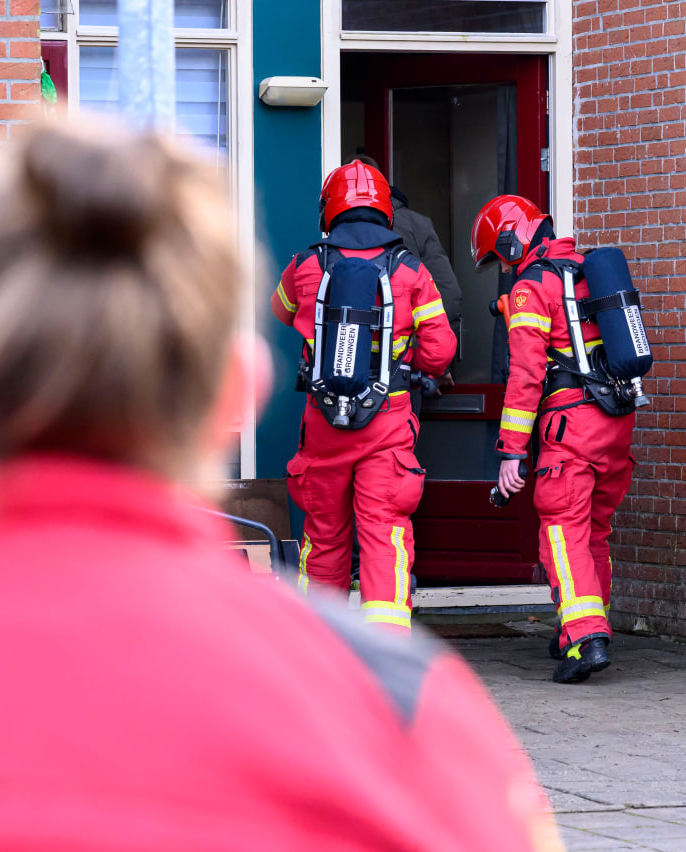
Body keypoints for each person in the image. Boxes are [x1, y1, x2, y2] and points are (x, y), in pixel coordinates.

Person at [0, 122, 563, 852]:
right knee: (379, 546)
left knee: (326, 541)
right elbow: (441, 351)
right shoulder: (411, 728)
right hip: (391, 433)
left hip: (329, 434)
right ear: (230, 393)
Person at [272, 160, 456, 632]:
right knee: (385, 535)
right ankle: (387, 649)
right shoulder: (412, 270)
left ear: (329, 210)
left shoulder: (306, 264)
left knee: (325, 537)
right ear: (384, 209)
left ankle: (323, 649)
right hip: (388, 423)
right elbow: (440, 350)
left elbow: (281, 309)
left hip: (323, 421)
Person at [471, 195, 636, 684]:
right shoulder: (585, 269)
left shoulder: (531, 286)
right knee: (594, 533)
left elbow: (525, 376)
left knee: (563, 531)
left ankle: (585, 638)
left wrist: (510, 453)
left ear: (511, 238)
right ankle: (581, 626)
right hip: (616, 419)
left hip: (572, 427)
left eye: (501, 256)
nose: (503, 266)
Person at [351, 153, 463, 347]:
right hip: (408, 364)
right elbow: (449, 296)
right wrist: (434, 360)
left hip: (347, 361)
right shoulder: (418, 224)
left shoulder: (335, 232)